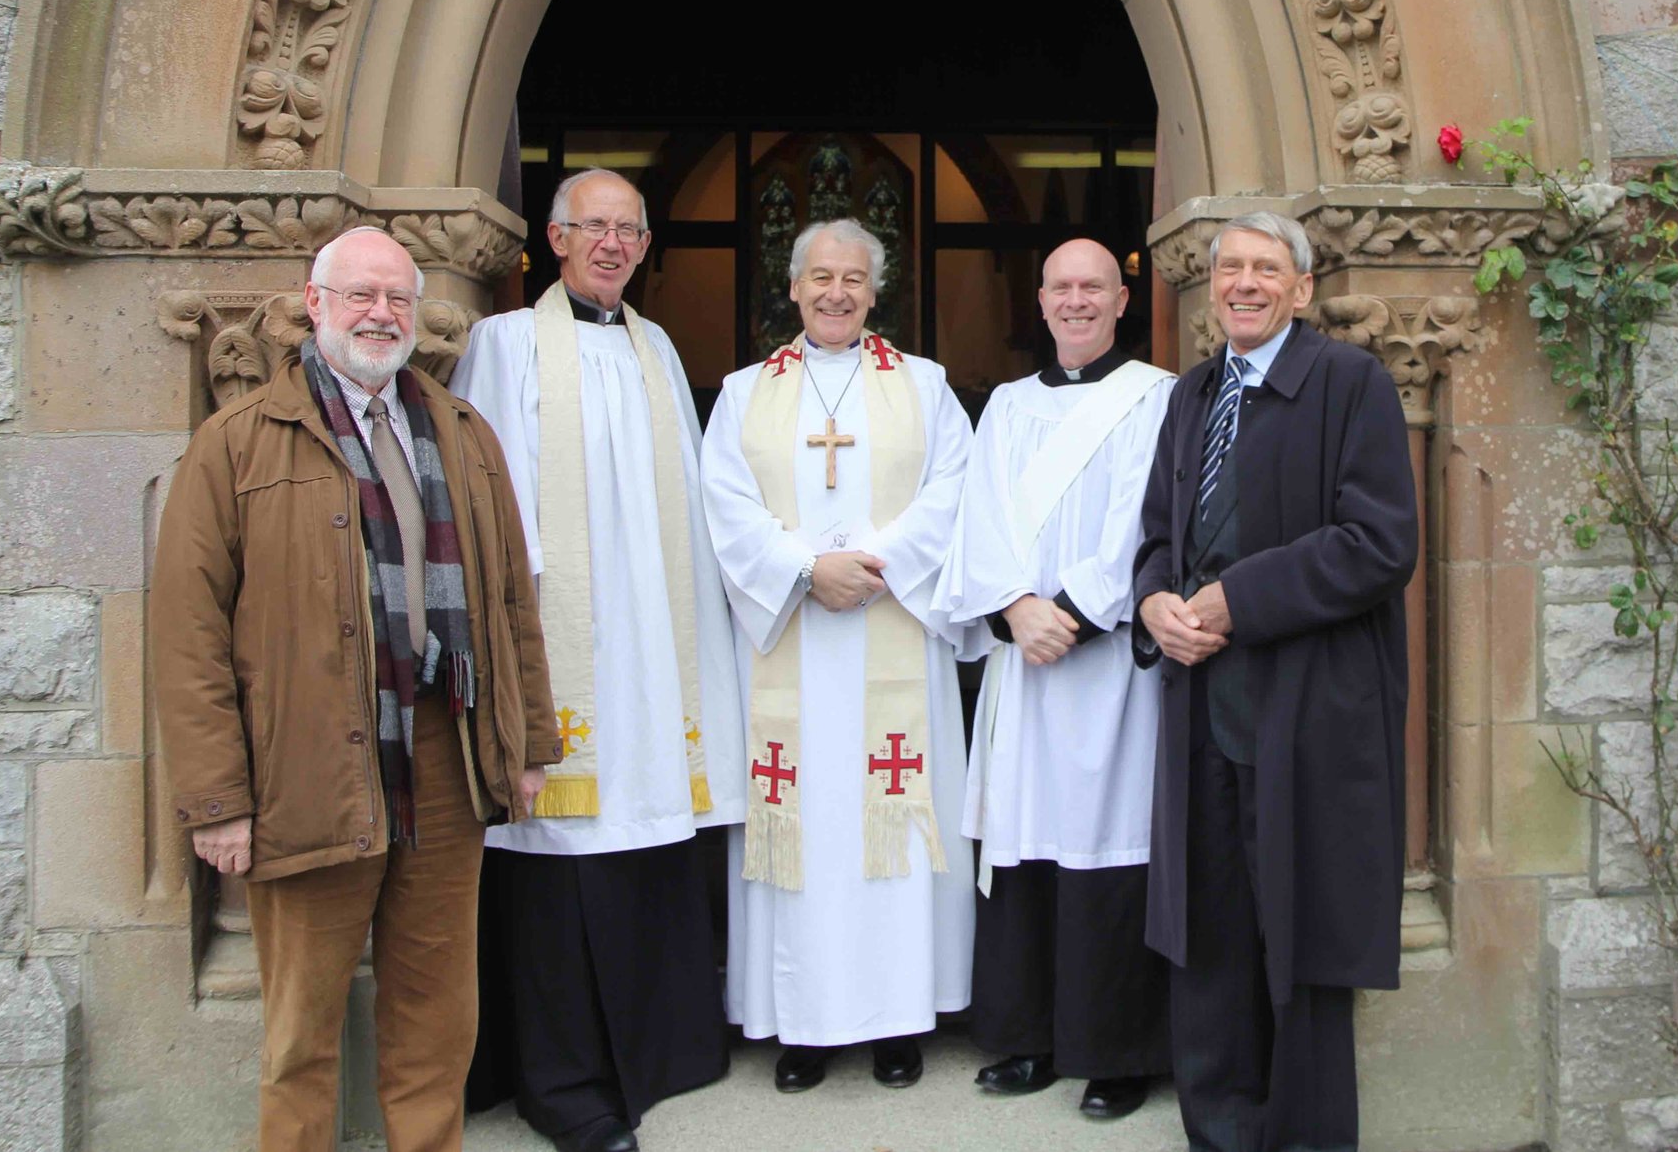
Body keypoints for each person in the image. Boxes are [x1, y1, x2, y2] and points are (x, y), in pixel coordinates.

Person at [150, 226, 562, 1152]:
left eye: (398, 299)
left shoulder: (462, 434)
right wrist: (219, 799)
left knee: (436, 1014)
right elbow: (188, 638)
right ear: (316, 302)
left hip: (444, 750)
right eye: (361, 295)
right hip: (309, 763)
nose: (381, 314)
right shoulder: (237, 443)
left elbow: (508, 600)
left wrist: (528, 741)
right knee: (300, 1029)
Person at [449, 170, 745, 1152]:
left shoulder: (656, 345)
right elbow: (491, 504)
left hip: (654, 648)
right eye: (595, 228)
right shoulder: (504, 344)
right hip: (563, 638)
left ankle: (659, 1056)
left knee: (651, 818)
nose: (613, 244)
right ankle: (565, 1081)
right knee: (562, 849)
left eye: (629, 229)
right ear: (555, 237)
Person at [1131, 212, 1416, 1152]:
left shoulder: (1349, 383)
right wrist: (1155, 606)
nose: (1243, 283)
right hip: (1203, 712)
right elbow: (1160, 539)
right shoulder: (1192, 395)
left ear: (1301, 287)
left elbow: (1379, 544)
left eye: (1266, 269)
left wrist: (1231, 600)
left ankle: (1304, 1138)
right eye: (1229, 269)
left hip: (1307, 714)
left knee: (1300, 942)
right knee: (1209, 936)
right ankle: (1218, 1131)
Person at [702, 218, 974, 1092]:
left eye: (853, 278)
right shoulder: (744, 393)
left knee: (887, 825)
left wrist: (872, 566)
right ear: (791, 286)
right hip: (790, 644)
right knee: (807, 833)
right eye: (820, 277)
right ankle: (803, 1025)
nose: (836, 292)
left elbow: (953, 490)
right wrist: (803, 569)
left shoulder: (926, 386)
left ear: (873, 289)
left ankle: (897, 1020)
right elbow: (725, 504)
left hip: (892, 626)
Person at [934, 238, 1174, 1120]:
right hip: (1022, 666)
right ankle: (1029, 1037)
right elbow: (980, 516)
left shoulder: (1155, 397)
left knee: (1107, 846)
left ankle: (1116, 1050)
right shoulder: (1002, 404)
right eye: (1062, 288)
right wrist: (1012, 608)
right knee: (1026, 844)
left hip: (1105, 666)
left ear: (1121, 300)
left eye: (1093, 288)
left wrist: (1069, 608)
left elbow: (1148, 518)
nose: (1076, 302)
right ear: (1039, 301)